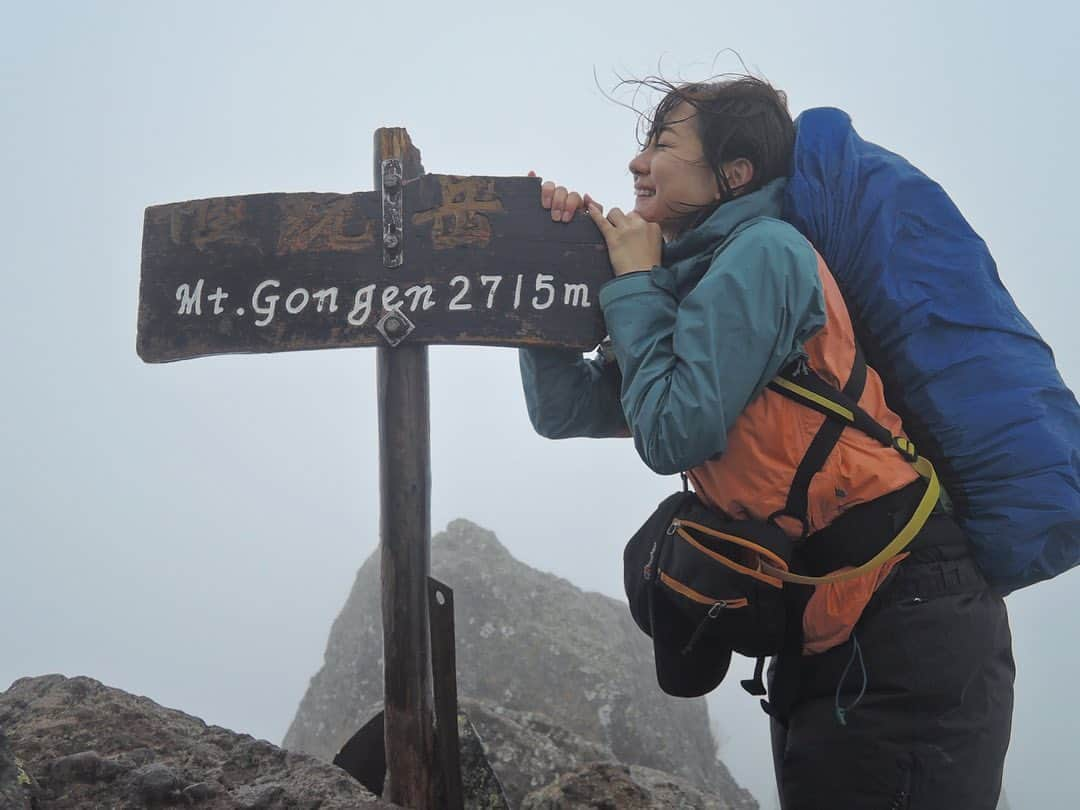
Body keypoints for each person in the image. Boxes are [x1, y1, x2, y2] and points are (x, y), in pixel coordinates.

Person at [519, 76, 1014, 809]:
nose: (637, 164)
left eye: (661, 144)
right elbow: (566, 409)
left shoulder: (765, 255)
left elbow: (671, 431)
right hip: (822, 619)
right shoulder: (691, 283)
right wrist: (544, 268)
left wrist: (635, 283)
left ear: (735, 174)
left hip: (906, 613)